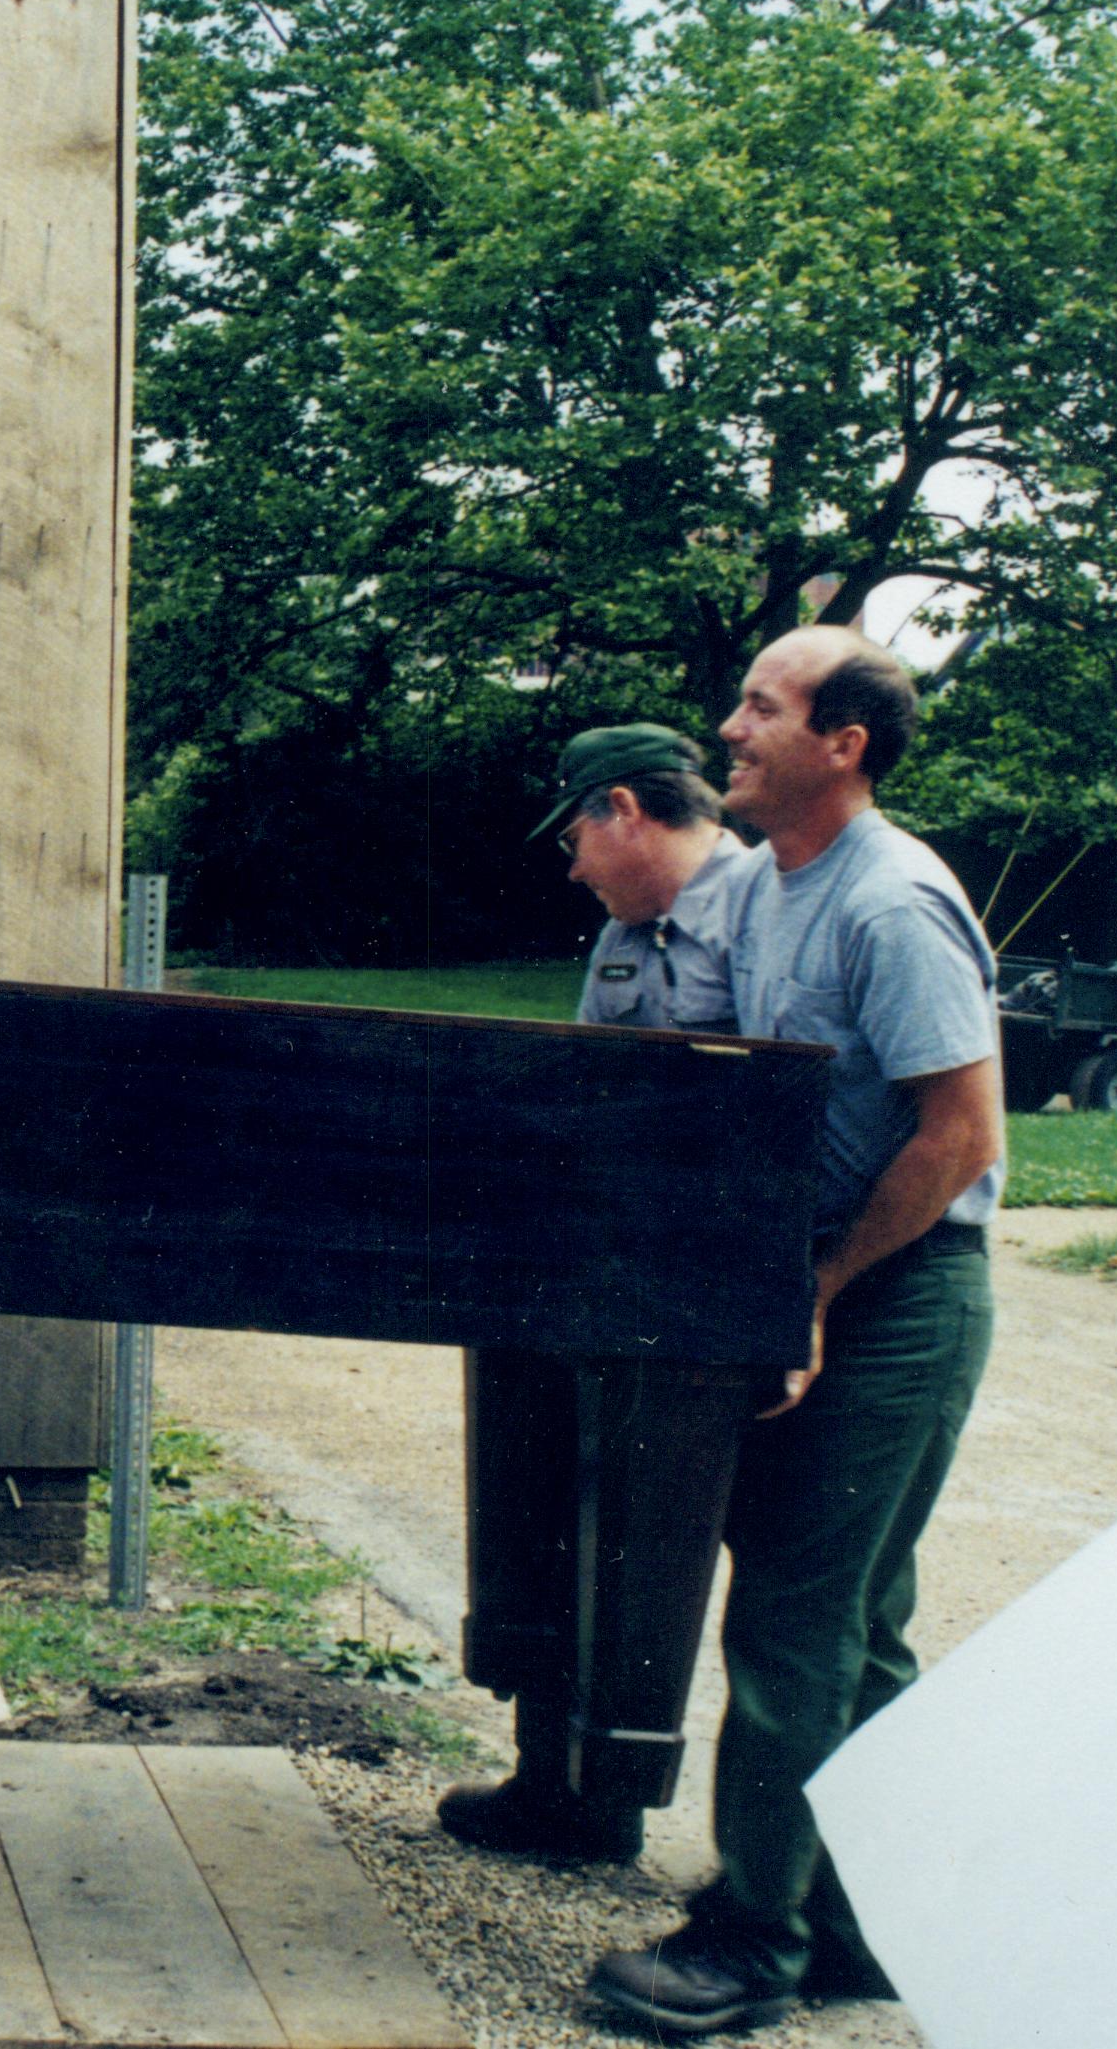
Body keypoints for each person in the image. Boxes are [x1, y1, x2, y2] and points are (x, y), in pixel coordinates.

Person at [588, 627, 1004, 2038]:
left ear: (845, 744)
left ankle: (748, 1942)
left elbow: (959, 1136)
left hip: (899, 1289)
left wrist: (813, 1294)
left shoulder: (891, 905)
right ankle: (855, 1922)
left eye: (762, 708)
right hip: (825, 1277)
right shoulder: (766, 885)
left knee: (792, 1618)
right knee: (858, 1627)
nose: (730, 726)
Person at [440, 724, 759, 1865]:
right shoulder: (623, 937)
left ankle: (630, 1789)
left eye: (577, 830)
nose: (570, 860)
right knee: (557, 1513)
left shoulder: (765, 908)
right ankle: (560, 1791)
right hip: (604, 1269)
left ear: (624, 808)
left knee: (649, 1541)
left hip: (704, 1287)